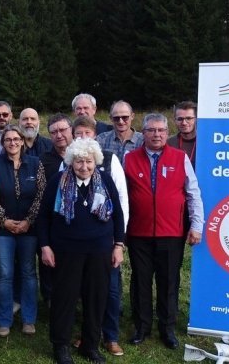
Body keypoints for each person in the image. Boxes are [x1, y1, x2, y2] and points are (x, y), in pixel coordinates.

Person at [37, 138, 125, 364]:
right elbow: (44, 216)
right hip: (66, 251)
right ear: (71, 162)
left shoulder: (105, 180)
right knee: (64, 299)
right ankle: (61, 346)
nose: (84, 167)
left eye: (88, 162)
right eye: (78, 162)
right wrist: (45, 246)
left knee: (96, 299)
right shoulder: (58, 180)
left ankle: (90, 345)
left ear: (95, 161)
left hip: (100, 251)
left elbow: (117, 215)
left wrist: (118, 246)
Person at [125, 113, 203, 350]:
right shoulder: (129, 158)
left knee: (169, 282)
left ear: (166, 132)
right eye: (151, 130)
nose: (156, 135)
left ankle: (167, 329)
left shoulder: (180, 158)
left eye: (161, 130)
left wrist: (197, 226)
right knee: (140, 281)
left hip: (171, 232)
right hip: (139, 232)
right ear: (143, 132)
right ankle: (142, 326)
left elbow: (193, 193)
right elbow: (121, 195)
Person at [72, 116, 129, 357]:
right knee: (86, 290)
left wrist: (119, 242)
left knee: (111, 289)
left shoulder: (109, 159)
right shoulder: (72, 161)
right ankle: (87, 334)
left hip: (106, 241)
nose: (83, 137)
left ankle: (111, 335)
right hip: (80, 244)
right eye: (79, 133)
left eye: (87, 133)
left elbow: (122, 202)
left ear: (95, 134)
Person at [0, 125, 45, 337]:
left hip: (29, 229)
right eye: (8, 139)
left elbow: (41, 194)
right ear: (3, 143)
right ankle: (4, 319)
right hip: (3, 229)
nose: (12, 143)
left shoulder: (35, 163)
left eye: (16, 139)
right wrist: (5, 221)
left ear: (22, 141)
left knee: (29, 272)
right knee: (4, 274)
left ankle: (29, 319)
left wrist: (28, 221)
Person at [38, 113, 74, 304]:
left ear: (71, 130)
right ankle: (51, 302)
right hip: (53, 223)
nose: (59, 135)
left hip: (79, 224)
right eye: (54, 132)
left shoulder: (83, 155)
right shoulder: (43, 161)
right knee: (50, 266)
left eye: (63, 130)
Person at [96, 100, 144, 165]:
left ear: (132, 116)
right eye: (116, 118)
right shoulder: (101, 140)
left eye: (125, 117)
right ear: (111, 118)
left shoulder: (143, 141)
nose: (120, 121)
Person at [167, 100, 198, 169]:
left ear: (196, 119)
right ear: (175, 120)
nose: (184, 123)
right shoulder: (169, 143)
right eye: (180, 119)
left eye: (189, 118)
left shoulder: (205, 143)